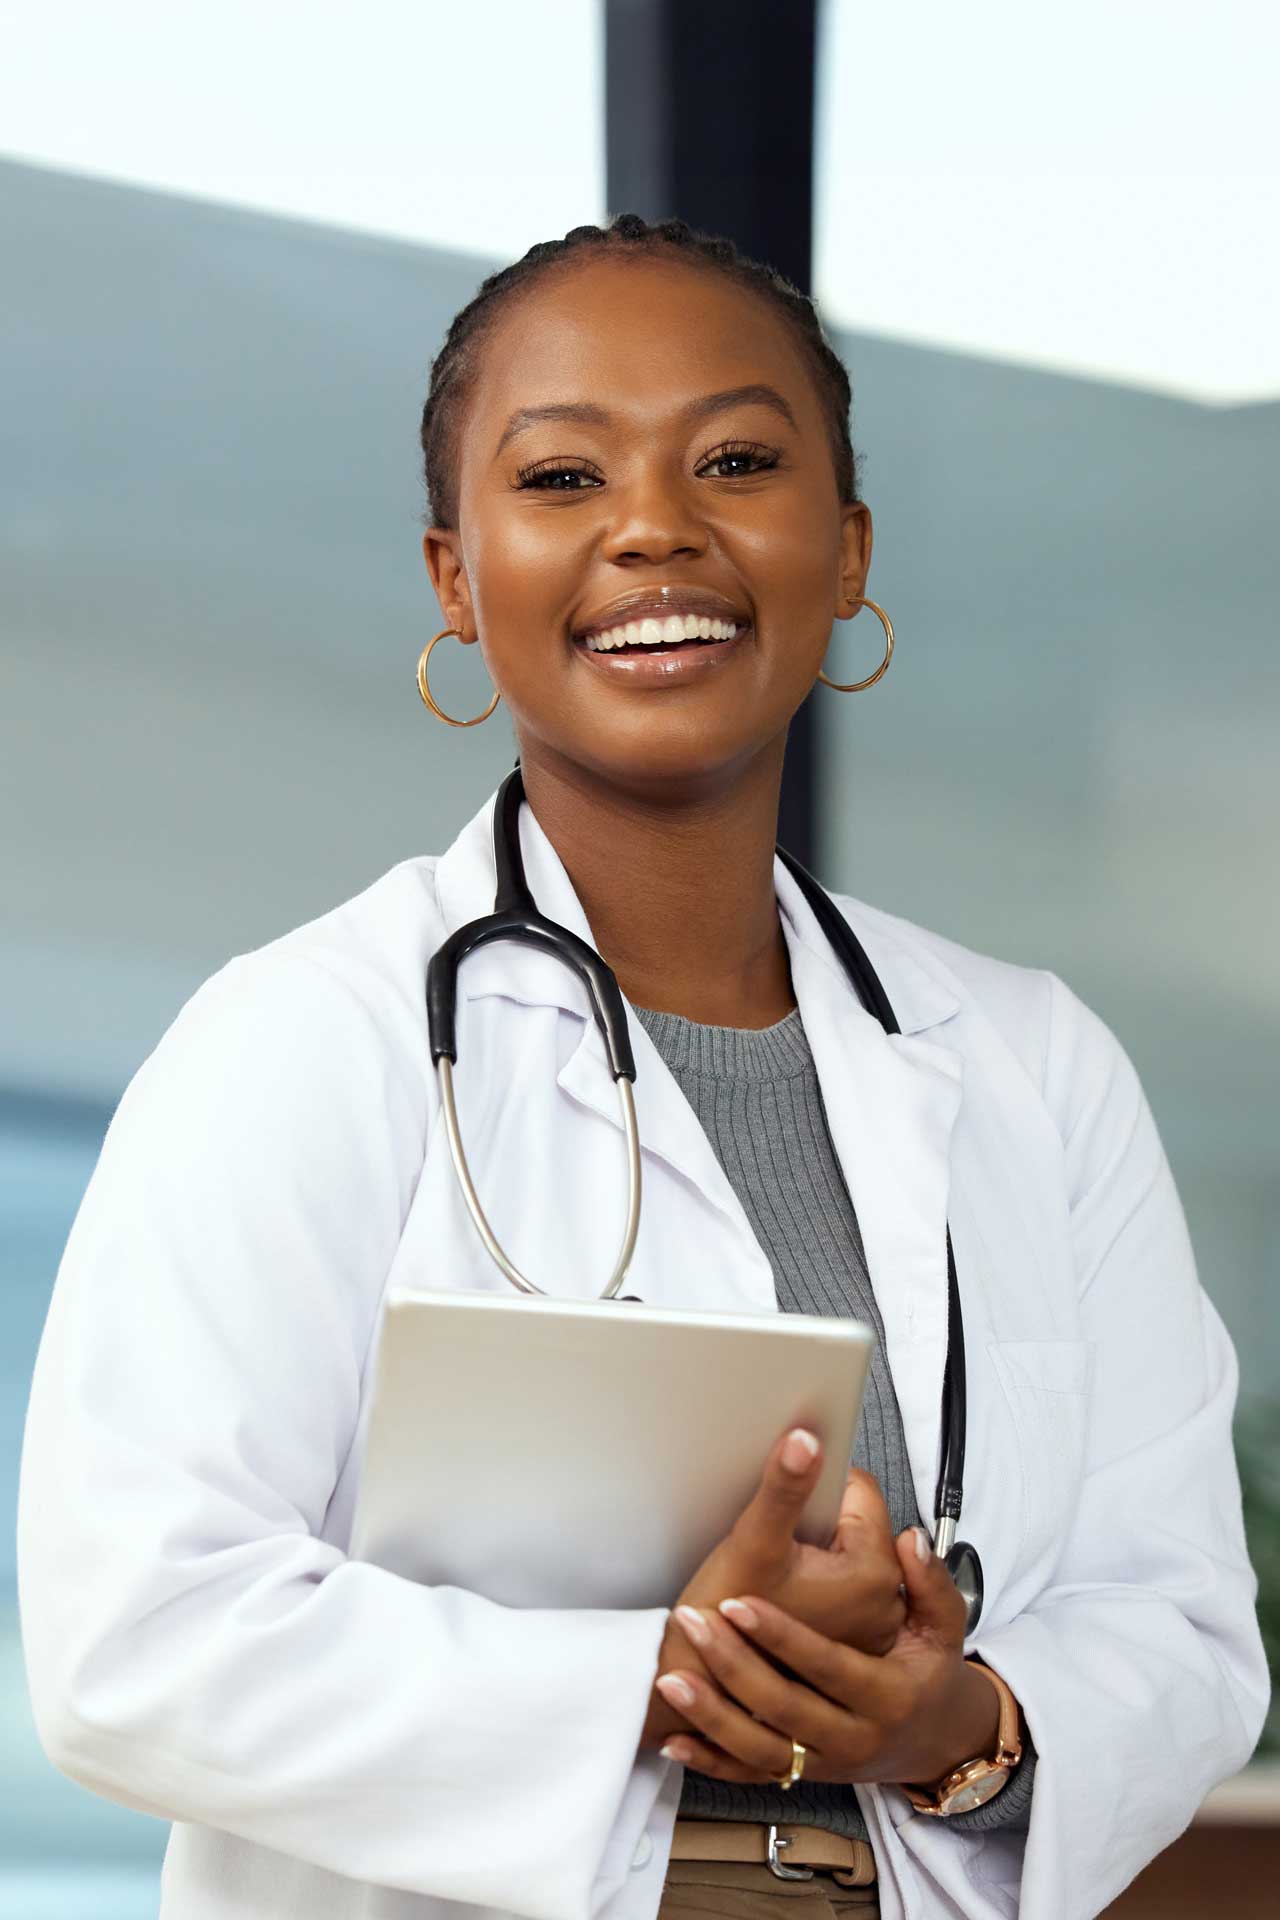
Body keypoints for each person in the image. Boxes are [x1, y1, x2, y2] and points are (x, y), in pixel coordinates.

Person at [17, 215, 1266, 1920]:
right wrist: (675, 1676)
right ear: (457, 581)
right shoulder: (305, 1039)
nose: (656, 527)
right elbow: (137, 1638)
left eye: (737, 461)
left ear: (846, 549)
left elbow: (1182, 1624)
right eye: (561, 478)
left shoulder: (1034, 1067)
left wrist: (952, 1725)